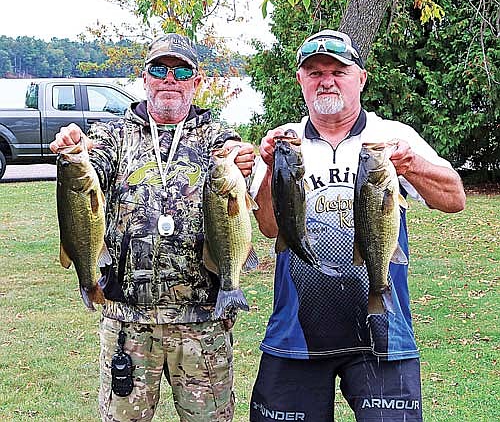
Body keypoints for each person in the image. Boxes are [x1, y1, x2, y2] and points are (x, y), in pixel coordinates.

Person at [249, 29, 466, 422]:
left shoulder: (393, 136)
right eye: (314, 72)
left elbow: (454, 199)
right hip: (296, 330)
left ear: (361, 78)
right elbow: (268, 227)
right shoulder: (285, 142)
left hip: (381, 331)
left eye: (338, 70)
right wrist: (266, 169)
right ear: (300, 80)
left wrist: (412, 165)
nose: (326, 80)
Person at [50, 33, 255, 422]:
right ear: (145, 79)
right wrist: (75, 146)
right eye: (159, 70)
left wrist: (239, 157)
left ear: (196, 82)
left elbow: (233, 153)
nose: (170, 79)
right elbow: (93, 159)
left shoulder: (213, 135)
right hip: (128, 323)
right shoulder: (117, 134)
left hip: (203, 323)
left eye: (181, 71)